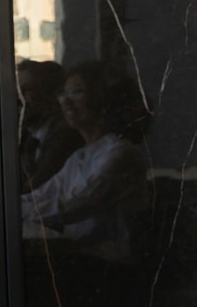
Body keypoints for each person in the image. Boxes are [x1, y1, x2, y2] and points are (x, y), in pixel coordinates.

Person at [20, 60, 150, 262]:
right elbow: (41, 195)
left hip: (108, 265)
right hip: (79, 256)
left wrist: (11, 212)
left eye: (77, 92)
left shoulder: (120, 153)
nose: (65, 101)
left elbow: (73, 206)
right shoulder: (79, 157)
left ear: (103, 98)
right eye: (64, 93)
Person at [15, 59, 83, 189]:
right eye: (18, 90)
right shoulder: (29, 140)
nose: (18, 98)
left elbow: (34, 189)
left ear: (50, 94)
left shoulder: (64, 138)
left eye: (27, 90)